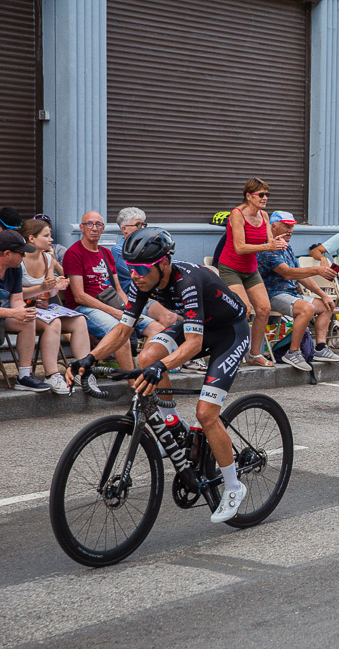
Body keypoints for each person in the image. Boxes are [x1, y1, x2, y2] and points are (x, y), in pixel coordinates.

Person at [67, 228, 253, 522]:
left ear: (164, 263)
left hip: (229, 332)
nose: (136, 275)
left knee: (206, 414)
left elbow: (192, 344)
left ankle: (232, 486)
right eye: (131, 268)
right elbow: (123, 329)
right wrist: (90, 358)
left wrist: (163, 367)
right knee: (148, 355)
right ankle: (173, 424)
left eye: (141, 268)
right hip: (199, 326)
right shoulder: (142, 283)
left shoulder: (188, 281)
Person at [64, 210, 162, 370]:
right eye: (90, 224)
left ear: (103, 229)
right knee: (119, 334)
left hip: (111, 303)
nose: (94, 228)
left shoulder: (106, 253)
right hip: (85, 308)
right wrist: (114, 312)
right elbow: (79, 296)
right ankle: (134, 385)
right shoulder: (74, 253)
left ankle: (144, 371)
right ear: (82, 228)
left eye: (99, 224)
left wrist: (130, 310)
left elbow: (118, 290)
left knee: (157, 329)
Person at [257, 211, 339, 370]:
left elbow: (302, 276)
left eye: (292, 226)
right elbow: (288, 272)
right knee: (306, 308)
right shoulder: (268, 247)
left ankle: (320, 348)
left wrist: (323, 295)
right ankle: (292, 352)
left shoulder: (287, 247)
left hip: (290, 294)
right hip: (272, 295)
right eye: (286, 226)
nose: (290, 230)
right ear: (273, 226)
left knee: (327, 305)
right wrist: (317, 270)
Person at [0, 231, 53, 398]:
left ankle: (24, 375)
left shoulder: (14, 268)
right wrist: (13, 312)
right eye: (21, 253)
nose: (24, 256)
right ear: (7, 254)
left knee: (27, 319)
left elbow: (16, 300)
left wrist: (24, 310)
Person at [218, 178, 287, 368]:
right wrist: (268, 245)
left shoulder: (264, 216)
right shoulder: (237, 214)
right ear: (249, 196)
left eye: (267, 194)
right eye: (261, 194)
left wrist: (278, 244)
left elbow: (269, 242)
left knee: (264, 309)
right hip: (231, 268)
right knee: (244, 309)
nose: (265, 198)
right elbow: (239, 247)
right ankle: (232, 351)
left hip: (250, 269)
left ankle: (255, 354)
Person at [19, 219, 89, 393]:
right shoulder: (18, 259)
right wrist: (42, 289)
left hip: (42, 308)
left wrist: (57, 286)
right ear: (31, 239)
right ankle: (52, 374)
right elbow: (12, 293)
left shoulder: (48, 258)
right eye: (46, 235)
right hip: (20, 309)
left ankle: (83, 371)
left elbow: (48, 293)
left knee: (79, 320)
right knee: (54, 322)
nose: (51, 239)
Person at [111, 207, 177, 327]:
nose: (142, 228)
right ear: (124, 229)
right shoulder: (119, 250)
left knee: (183, 314)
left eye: (144, 224)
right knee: (169, 317)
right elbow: (141, 275)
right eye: (138, 224)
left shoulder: (147, 247)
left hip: (155, 292)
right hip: (135, 296)